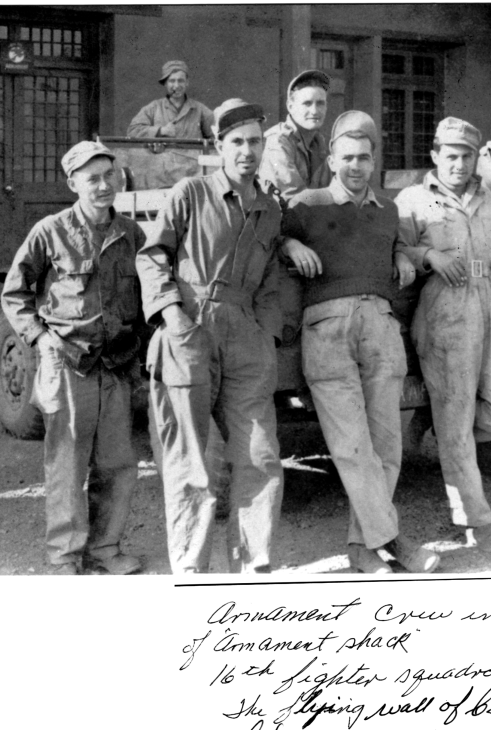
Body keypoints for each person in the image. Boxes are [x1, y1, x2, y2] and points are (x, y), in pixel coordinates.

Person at [280, 111, 440, 574]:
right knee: (351, 446)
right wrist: (291, 245)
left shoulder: (388, 211)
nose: (355, 166)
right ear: (331, 159)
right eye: (346, 157)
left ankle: (362, 548)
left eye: (364, 158)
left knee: (386, 446)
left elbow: (392, 243)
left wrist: (400, 254)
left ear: (374, 163)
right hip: (328, 330)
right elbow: (269, 239)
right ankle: (392, 540)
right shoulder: (306, 204)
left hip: (381, 327)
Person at [136, 99, 283, 574]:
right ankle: (191, 567)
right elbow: (152, 256)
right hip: (190, 326)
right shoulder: (190, 193)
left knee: (258, 452)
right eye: (236, 142)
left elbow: (271, 279)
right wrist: (173, 316)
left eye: (255, 141)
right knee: (192, 458)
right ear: (218, 146)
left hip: (245, 334)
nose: (246, 151)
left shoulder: (268, 208)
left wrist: (266, 333)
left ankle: (254, 560)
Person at [1, 141, 145, 575]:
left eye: (109, 176)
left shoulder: (132, 234)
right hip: (68, 361)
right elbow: (15, 293)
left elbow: (143, 298)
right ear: (73, 184)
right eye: (92, 179)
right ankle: (65, 556)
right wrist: (39, 338)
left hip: (117, 364)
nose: (103, 186)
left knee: (118, 465)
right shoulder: (51, 230)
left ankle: (105, 550)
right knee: (68, 464)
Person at [396, 117, 491, 555]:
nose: (459, 164)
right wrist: (428, 256)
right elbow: (396, 251)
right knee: (456, 426)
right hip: (445, 309)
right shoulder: (412, 200)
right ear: (435, 155)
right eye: (451, 155)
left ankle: (439, 425)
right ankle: (479, 523)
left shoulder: (488, 197)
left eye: (467, 156)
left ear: (477, 158)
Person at [127, 60, 214, 186]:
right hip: (162, 179)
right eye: (172, 81)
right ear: (165, 84)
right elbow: (132, 131)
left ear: (187, 83)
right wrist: (160, 131)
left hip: (192, 177)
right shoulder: (154, 108)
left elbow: (216, 137)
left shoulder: (200, 110)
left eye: (181, 80)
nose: (176, 85)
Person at [258, 69, 332, 202]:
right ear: (290, 106)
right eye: (307, 104)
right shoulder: (279, 141)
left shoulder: (318, 142)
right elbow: (293, 199)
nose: (315, 111)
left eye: (320, 103)